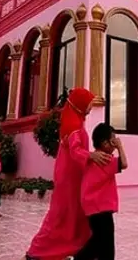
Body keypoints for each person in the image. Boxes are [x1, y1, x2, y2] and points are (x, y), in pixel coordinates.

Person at [26, 88, 105, 260]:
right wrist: (91, 155)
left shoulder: (73, 122)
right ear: (80, 104)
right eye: (89, 103)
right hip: (71, 178)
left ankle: (79, 248)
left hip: (69, 175)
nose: (91, 107)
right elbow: (76, 150)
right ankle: (39, 251)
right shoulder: (75, 127)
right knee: (62, 215)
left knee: (70, 213)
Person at [73, 123, 127, 260]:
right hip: (101, 207)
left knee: (99, 239)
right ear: (105, 143)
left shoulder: (91, 158)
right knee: (105, 241)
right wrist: (121, 146)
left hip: (91, 206)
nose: (115, 144)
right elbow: (124, 164)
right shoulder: (105, 159)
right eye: (113, 140)